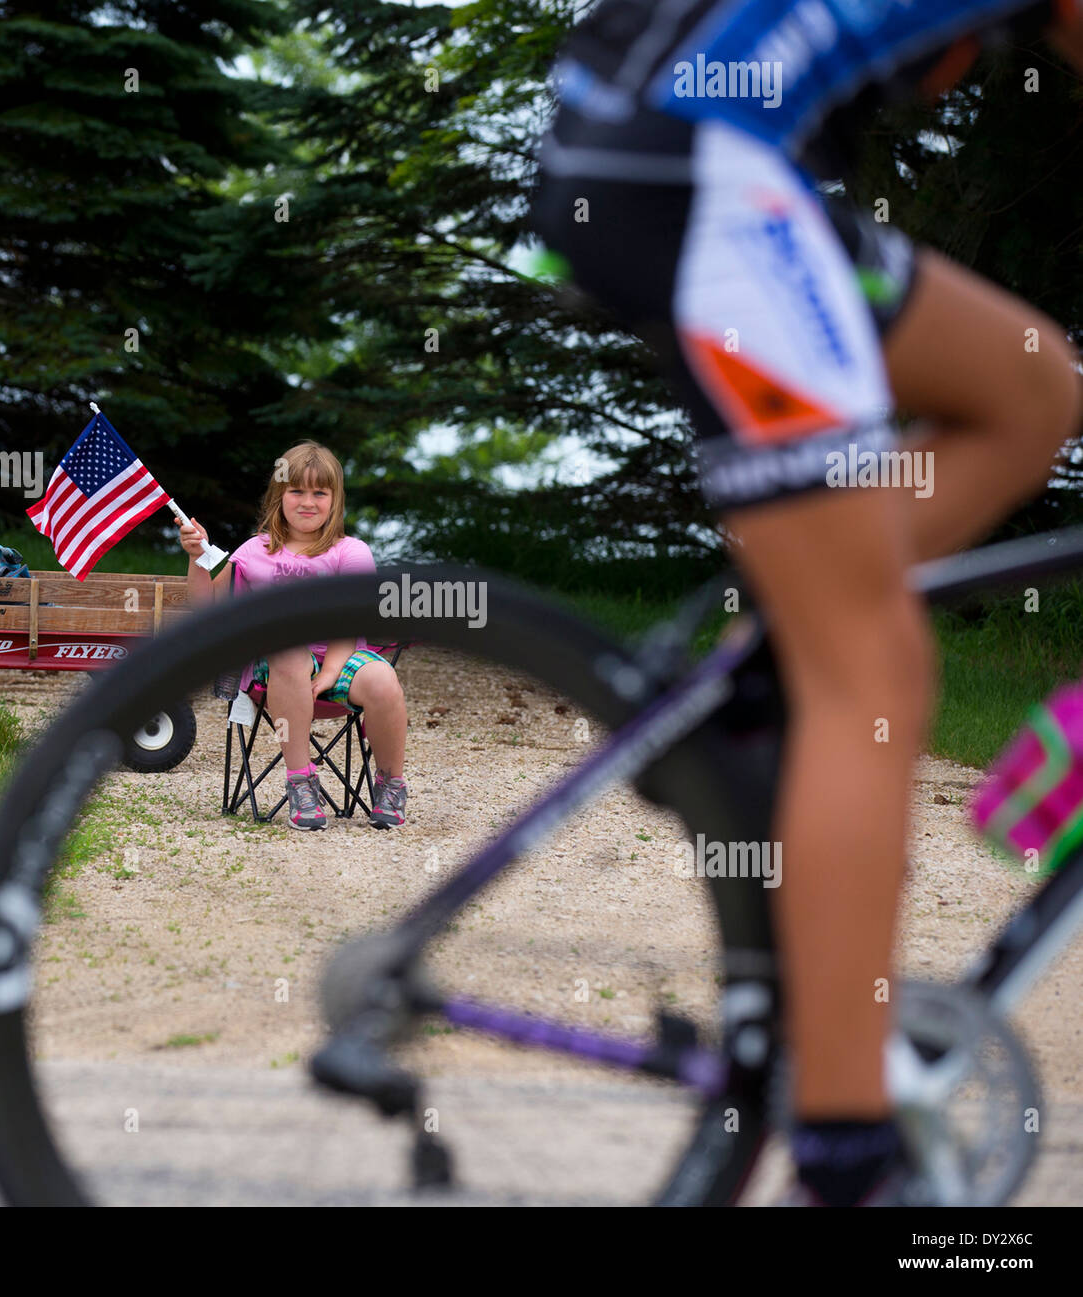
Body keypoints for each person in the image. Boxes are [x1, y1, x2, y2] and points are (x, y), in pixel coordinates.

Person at [530, 1, 1083, 1206]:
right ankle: (846, 1154)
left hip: (713, 149)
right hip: (694, 157)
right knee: (875, 674)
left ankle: (770, 657)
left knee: (1030, 389)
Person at [180, 441, 409, 830]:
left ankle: (390, 783)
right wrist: (195, 557)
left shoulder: (349, 552)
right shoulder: (255, 551)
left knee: (383, 678)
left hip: (339, 658)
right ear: (278, 496)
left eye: (320, 492)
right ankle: (301, 781)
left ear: (334, 500)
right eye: (296, 491)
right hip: (274, 669)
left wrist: (332, 672)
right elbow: (209, 610)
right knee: (286, 651)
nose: (308, 501)